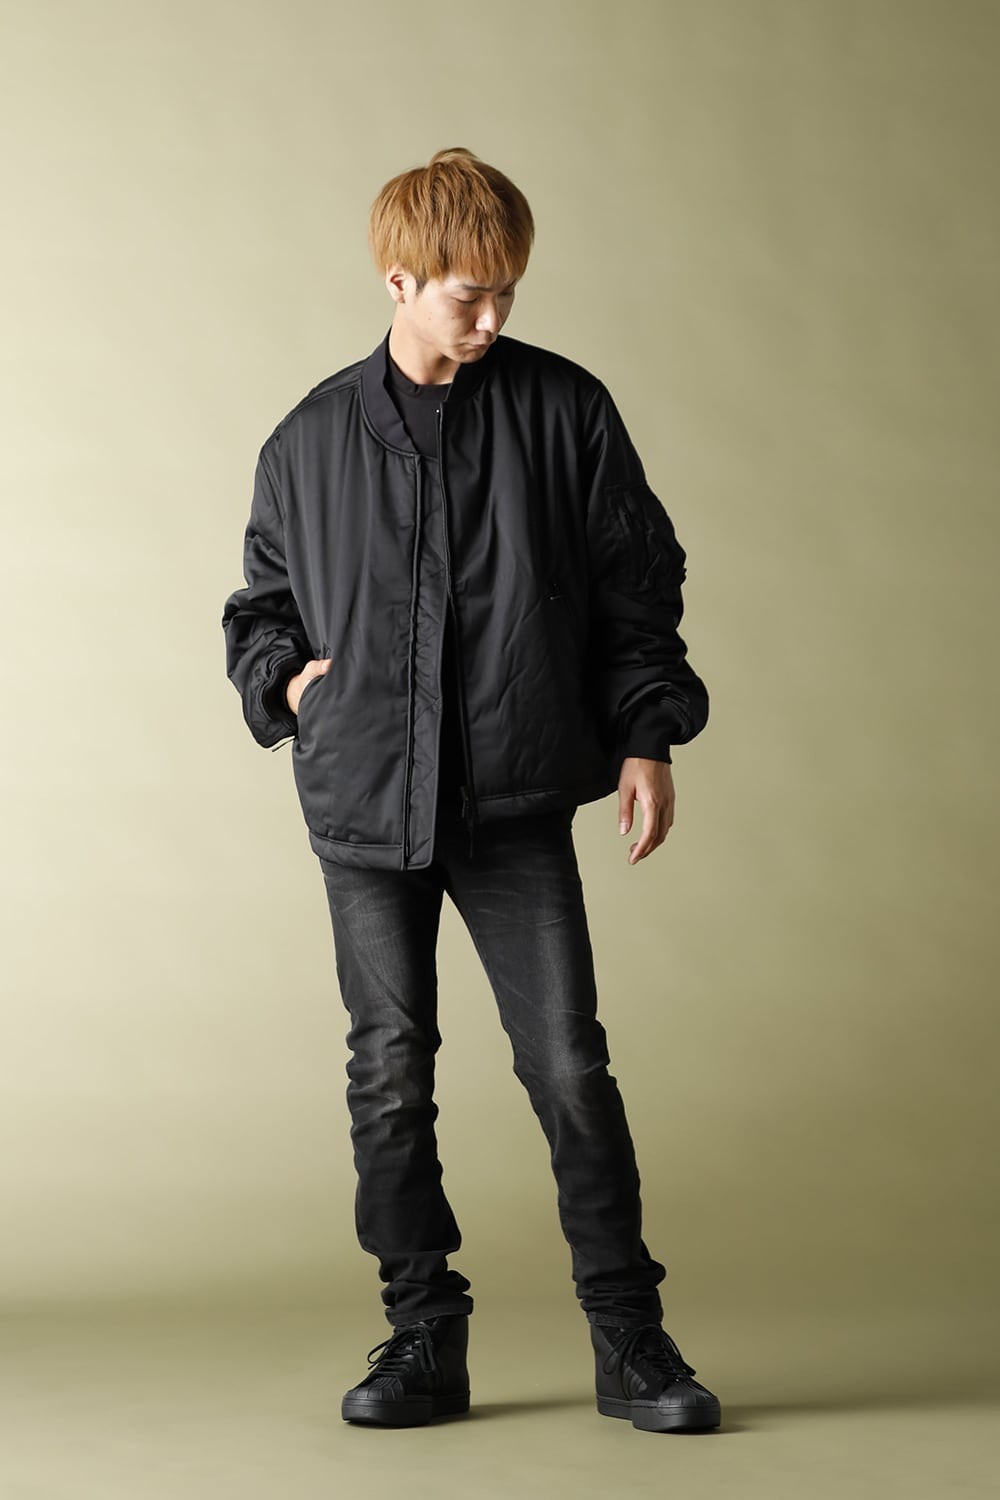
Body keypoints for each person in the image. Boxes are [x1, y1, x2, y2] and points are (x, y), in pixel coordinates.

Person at [221, 147, 720, 1435]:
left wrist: (647, 736)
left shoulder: (564, 409)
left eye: (508, 292)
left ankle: (631, 1340)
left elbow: (636, 579)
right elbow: (261, 605)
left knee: (568, 1065)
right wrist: (287, 683)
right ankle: (420, 1337)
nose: (494, 317)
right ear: (399, 279)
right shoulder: (310, 439)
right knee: (389, 1071)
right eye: (468, 294)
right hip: (364, 808)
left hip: (513, 803)